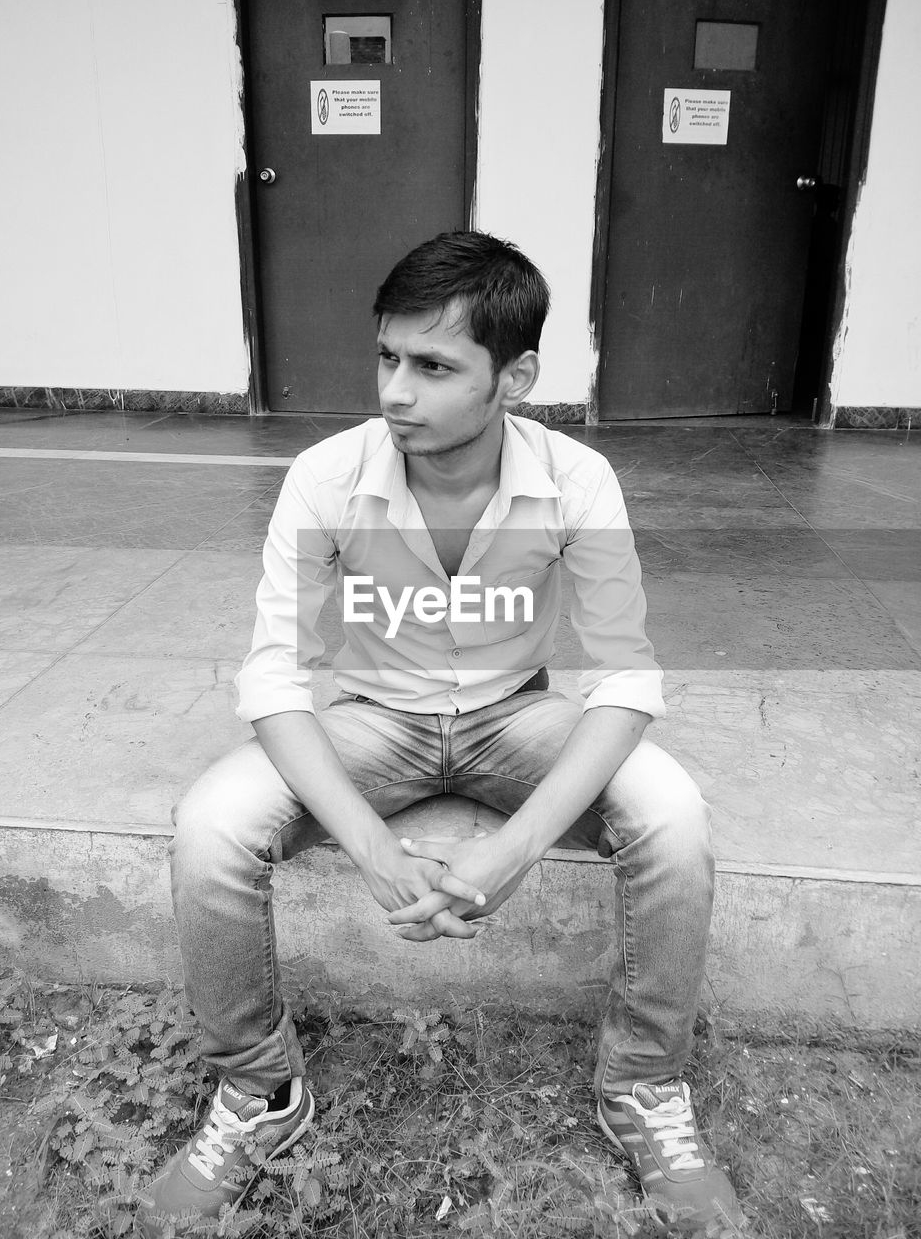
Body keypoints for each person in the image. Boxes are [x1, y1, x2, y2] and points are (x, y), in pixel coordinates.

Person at [138, 231, 742, 1234]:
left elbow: (626, 679)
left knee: (672, 812)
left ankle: (642, 1083)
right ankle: (261, 1089)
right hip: (375, 721)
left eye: (433, 365)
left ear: (516, 376)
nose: (396, 390)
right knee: (212, 822)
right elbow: (275, 677)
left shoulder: (576, 479)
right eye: (387, 357)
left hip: (518, 715)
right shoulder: (327, 478)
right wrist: (372, 851)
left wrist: (512, 849)